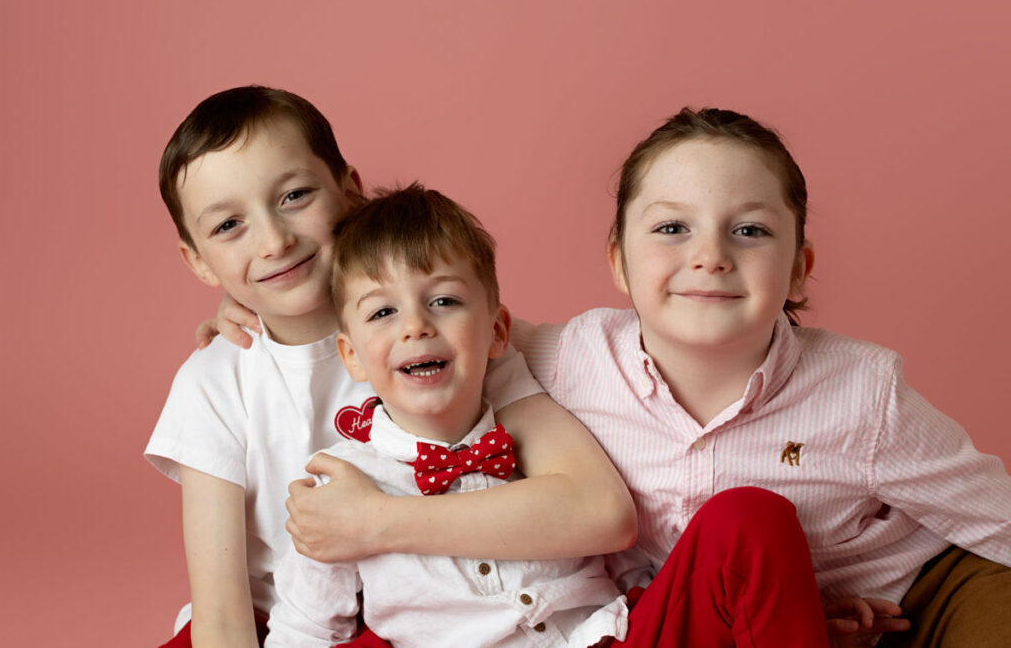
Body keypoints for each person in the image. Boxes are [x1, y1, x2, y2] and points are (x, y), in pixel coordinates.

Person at [204, 106, 1011, 647]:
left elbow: (992, 512)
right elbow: (417, 322)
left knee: (748, 517)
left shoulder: (863, 389)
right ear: (618, 263)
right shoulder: (564, 358)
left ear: (799, 265)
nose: (709, 256)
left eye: (750, 230)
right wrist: (258, 321)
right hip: (691, 617)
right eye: (671, 228)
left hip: (883, 596)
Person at [145, 86, 637, 647]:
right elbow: (222, 617)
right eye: (228, 226)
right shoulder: (215, 382)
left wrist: (370, 522)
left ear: (349, 191)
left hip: (431, 611)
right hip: (284, 624)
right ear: (198, 261)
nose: (275, 241)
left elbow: (598, 509)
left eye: (295, 195)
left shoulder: (442, 336)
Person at [266, 183, 832, 647]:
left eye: (445, 301)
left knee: (750, 517)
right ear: (350, 355)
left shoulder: (545, 424)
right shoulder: (340, 487)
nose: (416, 326)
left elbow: (624, 557)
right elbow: (304, 629)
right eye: (383, 312)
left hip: (604, 639)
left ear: (497, 333)